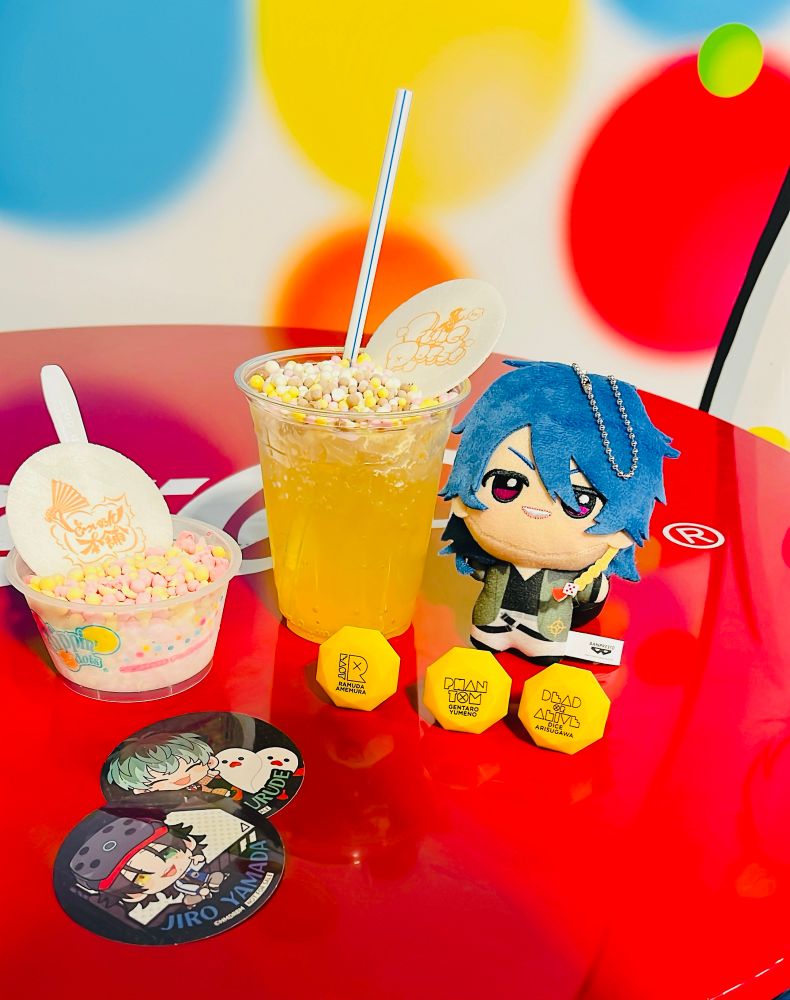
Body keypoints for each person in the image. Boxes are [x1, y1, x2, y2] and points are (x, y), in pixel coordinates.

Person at [440, 360, 679, 662]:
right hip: (490, 624)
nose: (537, 508)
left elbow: (590, 592)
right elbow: (477, 570)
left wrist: (593, 585)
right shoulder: (494, 564)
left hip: (546, 634)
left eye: (579, 502)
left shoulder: (573, 577)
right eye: (506, 484)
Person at [106, 731, 232, 797]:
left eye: (192, 767)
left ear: (210, 761)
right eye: (162, 780)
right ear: (143, 789)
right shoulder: (159, 800)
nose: (181, 779)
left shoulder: (218, 775)